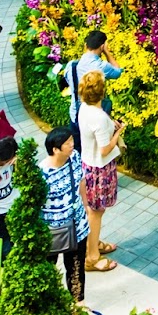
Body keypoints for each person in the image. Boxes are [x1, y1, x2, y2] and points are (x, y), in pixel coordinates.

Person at [76, 70, 123, 271]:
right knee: (96, 212)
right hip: (100, 170)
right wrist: (118, 133)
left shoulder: (84, 109)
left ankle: (92, 244)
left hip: (88, 165)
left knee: (93, 210)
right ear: (102, 93)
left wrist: (110, 126)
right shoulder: (100, 118)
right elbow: (105, 149)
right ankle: (91, 257)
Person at [41, 124, 91, 300]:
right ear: (55, 149)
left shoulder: (74, 157)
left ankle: (77, 303)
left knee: (76, 267)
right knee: (48, 267)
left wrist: (85, 206)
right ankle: (50, 302)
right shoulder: (42, 173)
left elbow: (81, 181)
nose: (72, 145)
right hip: (52, 229)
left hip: (77, 224)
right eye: (68, 143)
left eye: (71, 141)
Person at [64, 31, 124, 121]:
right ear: (102, 47)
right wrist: (107, 52)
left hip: (75, 114)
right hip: (94, 117)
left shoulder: (71, 65)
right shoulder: (101, 66)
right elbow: (118, 72)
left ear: (85, 46)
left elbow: (68, 82)